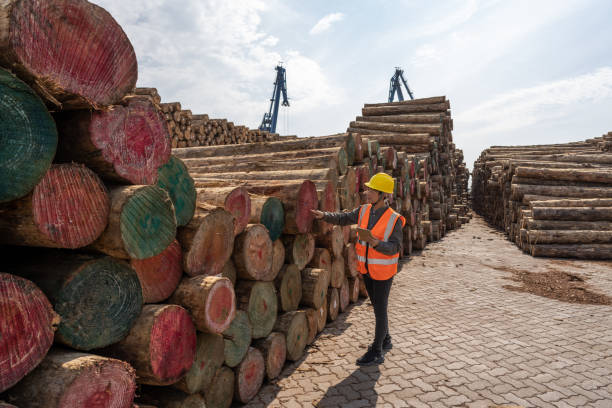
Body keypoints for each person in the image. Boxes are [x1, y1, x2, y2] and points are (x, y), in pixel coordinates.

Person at [311, 172, 405, 366]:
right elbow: (344, 218)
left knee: (380, 309)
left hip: (384, 273)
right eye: (367, 189)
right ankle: (385, 339)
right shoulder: (363, 211)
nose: (367, 192)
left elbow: (395, 247)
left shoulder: (394, 219)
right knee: (378, 307)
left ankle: (376, 350)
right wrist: (324, 215)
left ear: (382, 194)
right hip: (367, 270)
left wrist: (375, 242)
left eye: (371, 190)